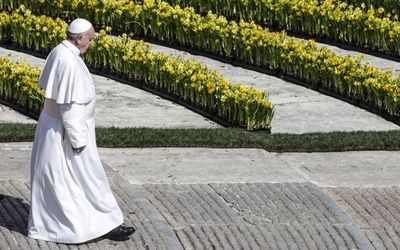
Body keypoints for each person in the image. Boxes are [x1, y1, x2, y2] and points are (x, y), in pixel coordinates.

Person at [27, 18, 135, 244]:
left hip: (57, 126)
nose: (91, 43)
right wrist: (78, 141)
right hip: (68, 131)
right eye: (90, 39)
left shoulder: (60, 51)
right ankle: (105, 223)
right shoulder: (67, 61)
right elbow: (70, 107)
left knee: (63, 178)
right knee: (87, 176)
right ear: (79, 38)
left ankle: (97, 222)